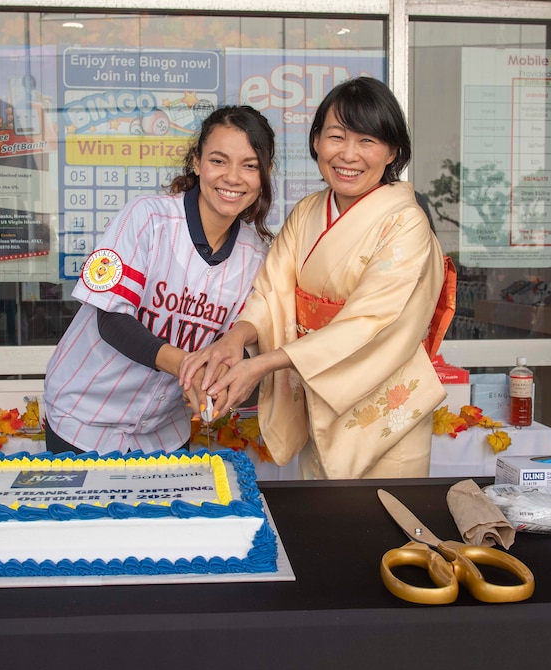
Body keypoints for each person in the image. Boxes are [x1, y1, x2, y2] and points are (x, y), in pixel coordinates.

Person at [180, 76, 446, 479]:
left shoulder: (406, 223)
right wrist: (235, 339)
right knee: (323, 528)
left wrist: (263, 364)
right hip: (319, 401)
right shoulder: (308, 211)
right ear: (317, 141)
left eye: (367, 141)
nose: (349, 155)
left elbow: (368, 323)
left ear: (392, 151)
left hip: (386, 413)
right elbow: (272, 292)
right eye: (336, 137)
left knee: (390, 534)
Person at [43, 105, 276, 455]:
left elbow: (236, 341)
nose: (233, 177)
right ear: (196, 162)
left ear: (266, 173)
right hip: (83, 418)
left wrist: (219, 379)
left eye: (250, 165)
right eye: (218, 161)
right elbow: (111, 319)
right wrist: (186, 366)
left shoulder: (255, 254)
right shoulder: (148, 217)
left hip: (163, 431)